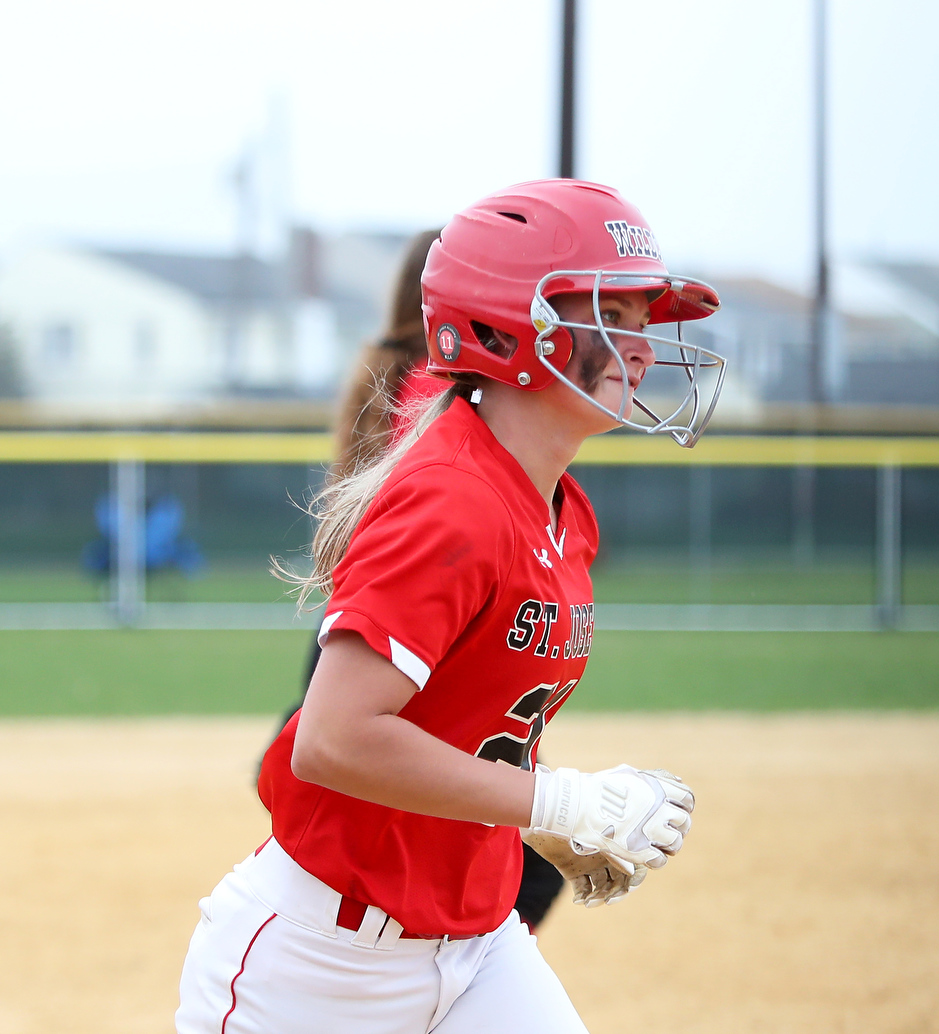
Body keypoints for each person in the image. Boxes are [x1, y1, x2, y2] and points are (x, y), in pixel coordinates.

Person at [177, 179, 727, 1033]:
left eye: (640, 319)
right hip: (322, 966)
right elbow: (333, 740)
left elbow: (468, 726)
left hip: (475, 942)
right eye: (610, 316)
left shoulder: (559, 507)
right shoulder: (453, 498)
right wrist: (561, 803)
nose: (644, 346)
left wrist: (550, 829)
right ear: (514, 329)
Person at [277, 227, 568, 932]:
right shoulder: (446, 387)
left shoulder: (379, 364)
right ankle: (459, 941)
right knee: (514, 837)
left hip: (363, 601)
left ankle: (464, 946)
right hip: (422, 610)